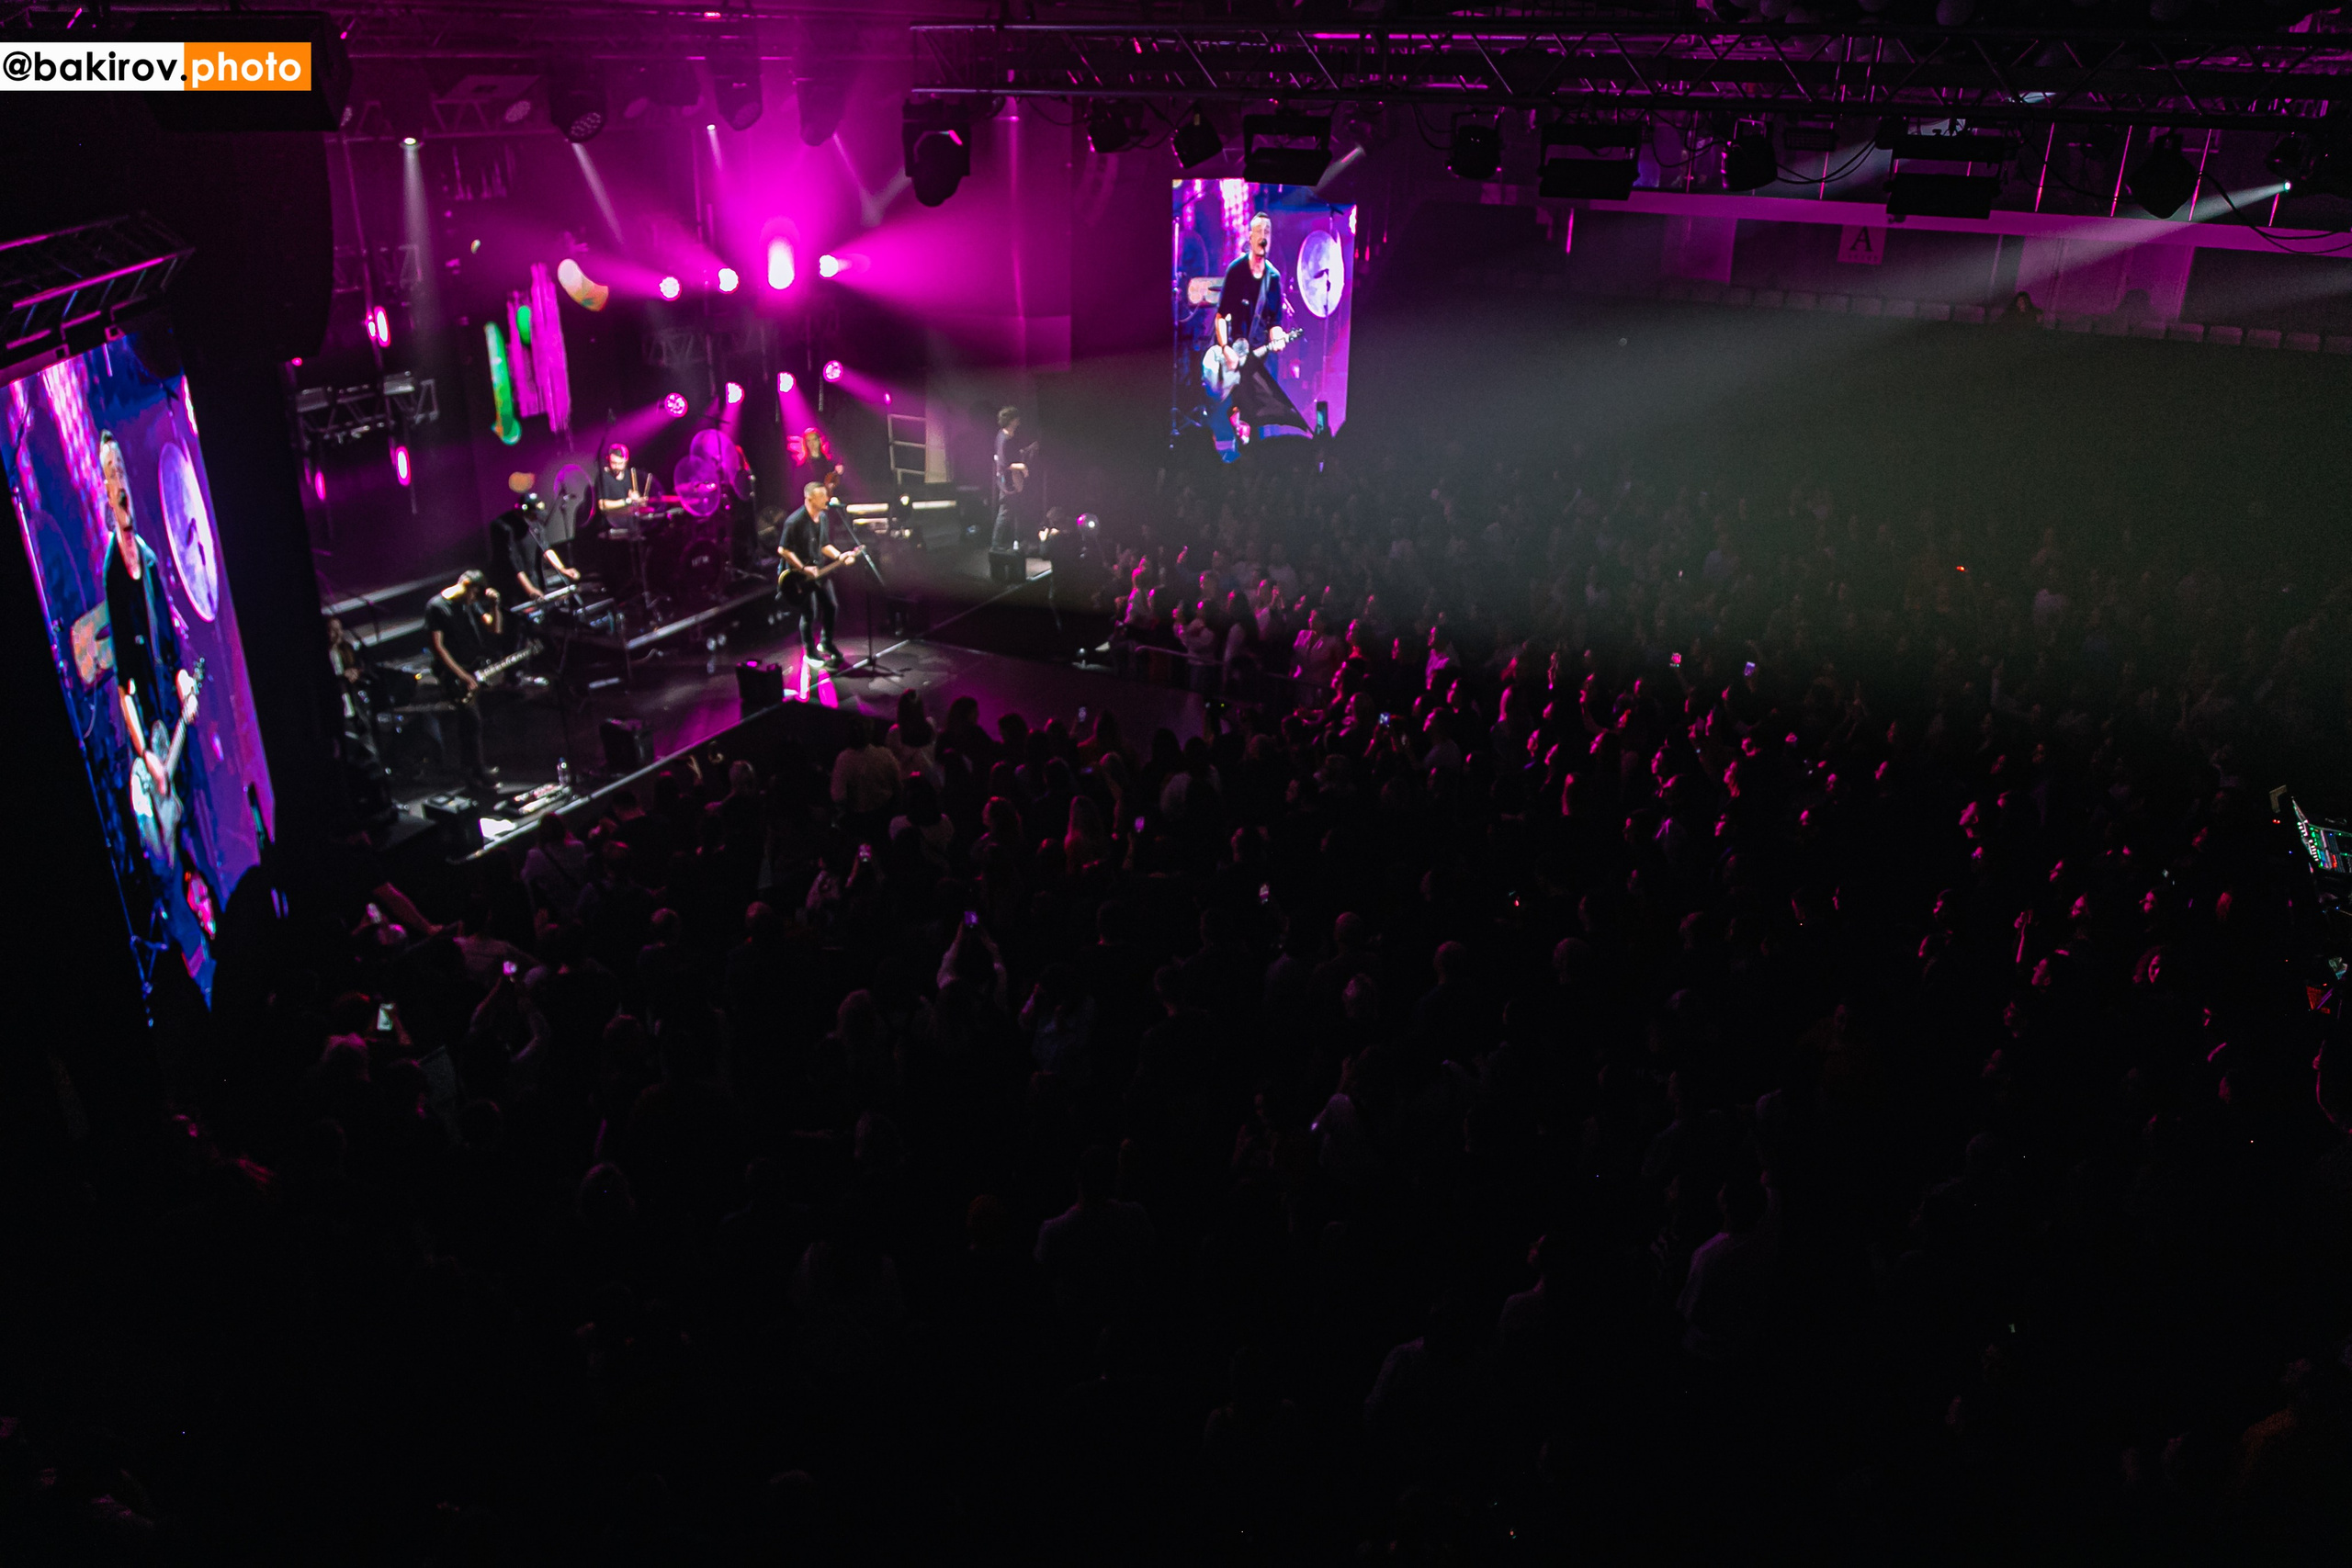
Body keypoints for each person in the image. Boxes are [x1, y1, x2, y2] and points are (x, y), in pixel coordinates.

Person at [1211, 212, 1306, 451]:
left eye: (1267, 232)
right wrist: (1225, 349)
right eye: (1259, 232)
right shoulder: (1236, 272)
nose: (1263, 237)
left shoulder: (1273, 278)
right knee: (1242, 422)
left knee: (1262, 420)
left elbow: (1275, 322)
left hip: (1262, 357)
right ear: (1250, 237)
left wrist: (1277, 335)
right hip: (1237, 357)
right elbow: (1221, 317)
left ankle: (1258, 462)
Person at [424, 569, 501, 789]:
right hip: (453, 673)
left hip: (473, 669)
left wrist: (494, 606)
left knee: (474, 722)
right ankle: (474, 772)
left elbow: (494, 627)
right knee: (471, 720)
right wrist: (461, 675)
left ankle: (476, 768)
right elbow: (437, 647)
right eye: (474, 594)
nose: (474, 600)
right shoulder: (437, 607)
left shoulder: (469, 603)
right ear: (466, 584)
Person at [778, 479, 854, 669]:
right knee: (809, 612)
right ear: (809, 499)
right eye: (822, 497)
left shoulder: (823, 517)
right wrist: (803, 569)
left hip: (819, 570)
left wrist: (840, 556)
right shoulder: (794, 521)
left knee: (831, 606)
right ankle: (810, 652)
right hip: (799, 576)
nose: (826, 500)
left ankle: (826, 643)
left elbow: (824, 544)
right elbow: (783, 550)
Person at [490, 491, 579, 603]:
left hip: (535, 580)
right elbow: (513, 563)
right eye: (533, 514)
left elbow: (545, 548)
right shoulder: (505, 528)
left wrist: (563, 569)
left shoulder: (535, 524)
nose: (536, 518)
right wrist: (529, 589)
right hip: (516, 588)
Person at [991, 405, 1028, 553]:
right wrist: (1022, 467)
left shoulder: (1008, 436)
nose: (1018, 421)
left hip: (1012, 479)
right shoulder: (1004, 439)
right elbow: (1004, 463)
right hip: (1007, 481)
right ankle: (996, 544)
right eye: (1016, 418)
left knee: (1016, 510)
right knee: (1005, 511)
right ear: (1010, 420)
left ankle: (1017, 540)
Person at [593, 442, 648, 529]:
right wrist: (627, 501)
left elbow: (633, 497)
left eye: (620, 463)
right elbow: (602, 505)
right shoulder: (603, 477)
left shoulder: (629, 474)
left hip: (629, 522)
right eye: (613, 463)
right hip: (612, 524)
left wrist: (638, 501)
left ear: (626, 461)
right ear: (608, 460)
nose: (617, 467)